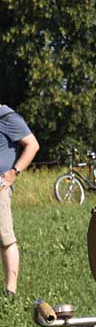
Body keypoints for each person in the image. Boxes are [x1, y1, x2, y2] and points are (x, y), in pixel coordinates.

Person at [0, 104, 40, 297]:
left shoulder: (6, 116)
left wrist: (13, 173)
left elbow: (32, 144)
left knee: (5, 237)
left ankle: (10, 291)